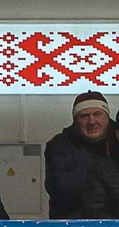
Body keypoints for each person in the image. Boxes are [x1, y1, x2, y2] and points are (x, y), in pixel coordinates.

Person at [43, 91, 112, 219]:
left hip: (116, 224)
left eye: (97, 114)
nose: (92, 121)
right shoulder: (59, 146)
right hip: (71, 224)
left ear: (107, 118)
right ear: (75, 121)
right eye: (84, 116)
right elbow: (65, 189)